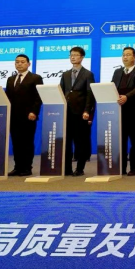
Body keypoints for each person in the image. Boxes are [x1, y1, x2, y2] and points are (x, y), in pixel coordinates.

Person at [111, 47, 135, 176]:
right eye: (123, 55)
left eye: (128, 55)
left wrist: (126, 97)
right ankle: (121, 167)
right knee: (120, 140)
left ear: (134, 57)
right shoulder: (117, 72)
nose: (125, 57)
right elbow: (112, 87)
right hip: (119, 110)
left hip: (134, 111)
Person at [5, 54, 43, 177]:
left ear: (28, 64)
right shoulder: (11, 79)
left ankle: (27, 168)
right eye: (17, 62)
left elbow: (38, 97)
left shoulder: (35, 78)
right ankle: (17, 167)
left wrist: (34, 112)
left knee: (27, 142)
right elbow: (8, 98)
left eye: (22, 62)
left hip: (28, 116)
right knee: (16, 143)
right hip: (13, 116)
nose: (19, 64)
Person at [60, 47, 95, 177]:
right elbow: (62, 92)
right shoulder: (65, 74)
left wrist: (87, 110)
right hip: (67, 112)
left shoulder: (88, 74)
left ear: (82, 57)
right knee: (67, 142)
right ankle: (67, 168)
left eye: (75, 55)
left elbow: (90, 94)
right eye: (71, 55)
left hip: (81, 113)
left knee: (80, 141)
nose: (73, 57)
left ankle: (80, 168)